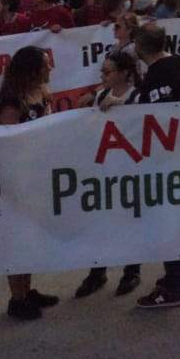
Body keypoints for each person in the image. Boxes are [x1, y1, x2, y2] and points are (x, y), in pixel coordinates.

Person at [131, 23, 180, 310]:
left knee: (170, 221)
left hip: (171, 160)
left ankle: (174, 285)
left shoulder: (156, 76)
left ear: (139, 47)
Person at [73, 50, 144, 299]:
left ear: (124, 73)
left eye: (107, 71)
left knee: (131, 221)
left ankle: (132, 270)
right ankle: (97, 271)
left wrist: (120, 107)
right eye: (102, 71)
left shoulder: (138, 96)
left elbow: (145, 127)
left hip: (130, 170)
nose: (102, 75)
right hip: (104, 169)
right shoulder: (99, 96)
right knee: (100, 222)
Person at [0, 47, 56, 321]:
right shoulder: (11, 101)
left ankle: (28, 289)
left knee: (31, 235)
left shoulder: (40, 92)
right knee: (16, 237)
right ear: (32, 69)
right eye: (46, 64)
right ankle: (17, 298)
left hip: (36, 174)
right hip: (15, 178)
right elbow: (8, 140)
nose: (50, 68)